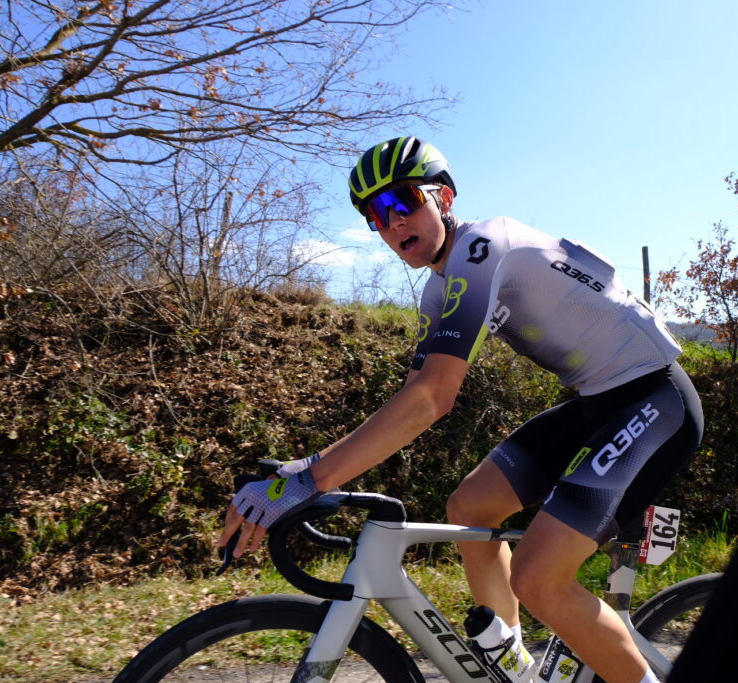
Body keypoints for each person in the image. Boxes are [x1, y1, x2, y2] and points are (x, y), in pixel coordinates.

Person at [218, 136, 704, 683]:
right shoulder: (438, 292)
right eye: (375, 215)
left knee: (538, 579)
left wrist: (310, 478)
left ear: (443, 198)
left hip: (654, 399)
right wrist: (307, 468)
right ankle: (515, 670)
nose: (391, 223)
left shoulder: (484, 246)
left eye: (402, 201)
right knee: (470, 505)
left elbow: (434, 397)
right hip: (596, 402)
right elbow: (409, 401)